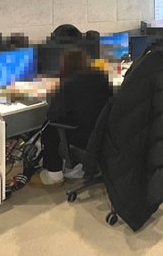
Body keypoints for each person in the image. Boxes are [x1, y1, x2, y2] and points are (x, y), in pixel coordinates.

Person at [39, 48, 112, 185]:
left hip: (82, 135)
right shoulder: (101, 77)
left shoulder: (68, 84)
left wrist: (53, 96)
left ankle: (54, 174)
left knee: (48, 128)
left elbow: (52, 114)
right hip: (102, 132)